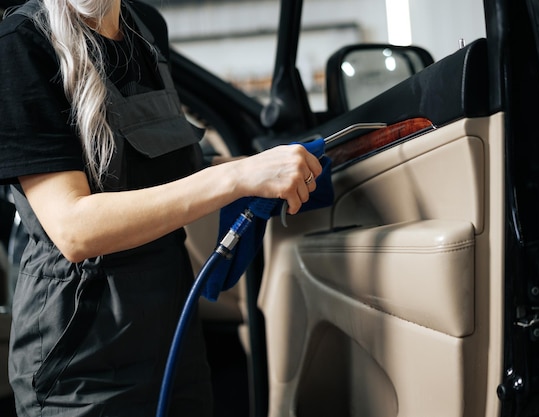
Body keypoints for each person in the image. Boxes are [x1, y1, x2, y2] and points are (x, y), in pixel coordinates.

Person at [0, 0, 322, 416]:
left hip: (173, 337)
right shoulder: (22, 44)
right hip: (82, 358)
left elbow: (165, 178)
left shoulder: (147, 29)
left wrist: (266, 167)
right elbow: (75, 229)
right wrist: (235, 179)